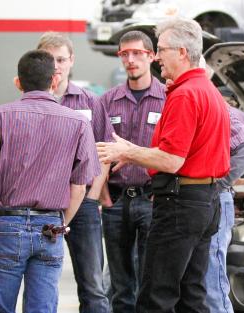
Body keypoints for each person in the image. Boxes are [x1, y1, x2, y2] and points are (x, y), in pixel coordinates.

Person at [97, 17, 231, 312]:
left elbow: (172, 159)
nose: (157, 57)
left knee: (156, 296)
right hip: (205, 203)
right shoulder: (209, 92)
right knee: (191, 295)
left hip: (180, 206)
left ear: (182, 52)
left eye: (161, 50)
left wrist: (128, 151)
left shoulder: (185, 94)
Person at [0, 49, 100, 313]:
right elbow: (80, 186)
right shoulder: (78, 123)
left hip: (7, 221)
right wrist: (62, 224)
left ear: (18, 82)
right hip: (51, 225)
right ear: (54, 81)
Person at [37, 32, 112, 313]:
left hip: (84, 206)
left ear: (71, 61)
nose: (55, 66)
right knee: (42, 282)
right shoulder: (31, 101)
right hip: (43, 205)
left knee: (92, 285)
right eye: (49, 59)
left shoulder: (91, 102)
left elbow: (105, 152)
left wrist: (92, 196)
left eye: (61, 59)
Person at [96, 30, 165, 312]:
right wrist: (102, 195)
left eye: (137, 53)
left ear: (151, 56)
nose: (131, 60)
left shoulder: (169, 98)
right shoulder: (107, 101)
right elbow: (96, 150)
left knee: (151, 279)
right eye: (125, 54)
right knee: (121, 285)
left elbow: (174, 151)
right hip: (117, 200)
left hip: (153, 200)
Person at [205, 108, 244, 313]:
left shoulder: (215, 106)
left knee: (212, 280)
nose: (165, 76)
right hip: (190, 201)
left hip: (214, 199)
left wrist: (216, 184)